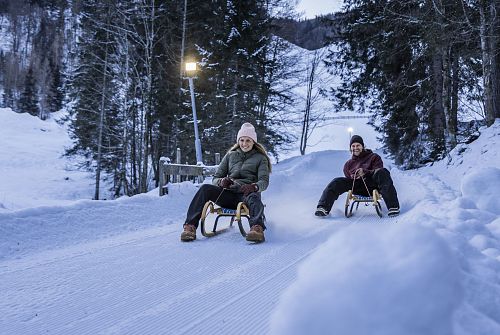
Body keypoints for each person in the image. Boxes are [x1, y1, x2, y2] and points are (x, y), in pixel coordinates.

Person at [181, 122, 271, 243]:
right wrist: (221, 182)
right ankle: (190, 227)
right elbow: (216, 178)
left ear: (253, 142)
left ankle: (257, 228)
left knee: (254, 196)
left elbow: (264, 182)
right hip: (228, 195)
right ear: (238, 140)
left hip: (246, 195)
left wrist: (254, 186)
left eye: (248, 141)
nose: (244, 144)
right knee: (205, 189)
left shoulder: (261, 158)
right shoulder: (230, 155)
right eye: (242, 140)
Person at [315, 135, 400, 217]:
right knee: (337, 181)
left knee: (383, 172)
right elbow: (348, 177)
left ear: (362, 146)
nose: (355, 148)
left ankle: (393, 207)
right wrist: (354, 176)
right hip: (357, 187)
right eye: (353, 146)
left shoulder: (374, 157)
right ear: (350, 148)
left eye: (358, 145)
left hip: (372, 185)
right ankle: (323, 208)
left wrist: (365, 172)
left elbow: (378, 170)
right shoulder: (348, 164)